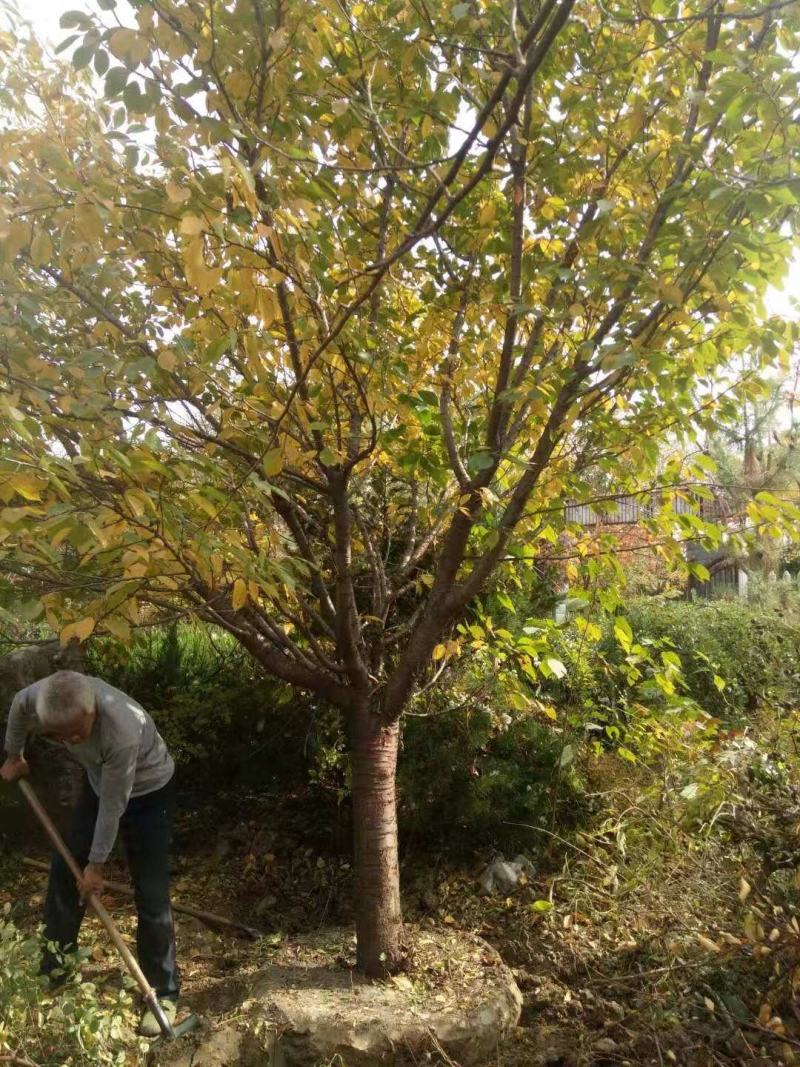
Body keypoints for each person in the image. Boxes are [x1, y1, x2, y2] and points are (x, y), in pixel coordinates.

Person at [0, 670, 180, 1036]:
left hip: (149, 792)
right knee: (65, 868)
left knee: (150, 890)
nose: (71, 740)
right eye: (60, 736)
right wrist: (14, 753)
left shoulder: (122, 731)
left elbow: (113, 807)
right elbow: (19, 707)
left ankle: (163, 992)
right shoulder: (40, 699)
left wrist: (96, 866)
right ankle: (55, 968)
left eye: (78, 732)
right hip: (101, 784)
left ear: (93, 710)